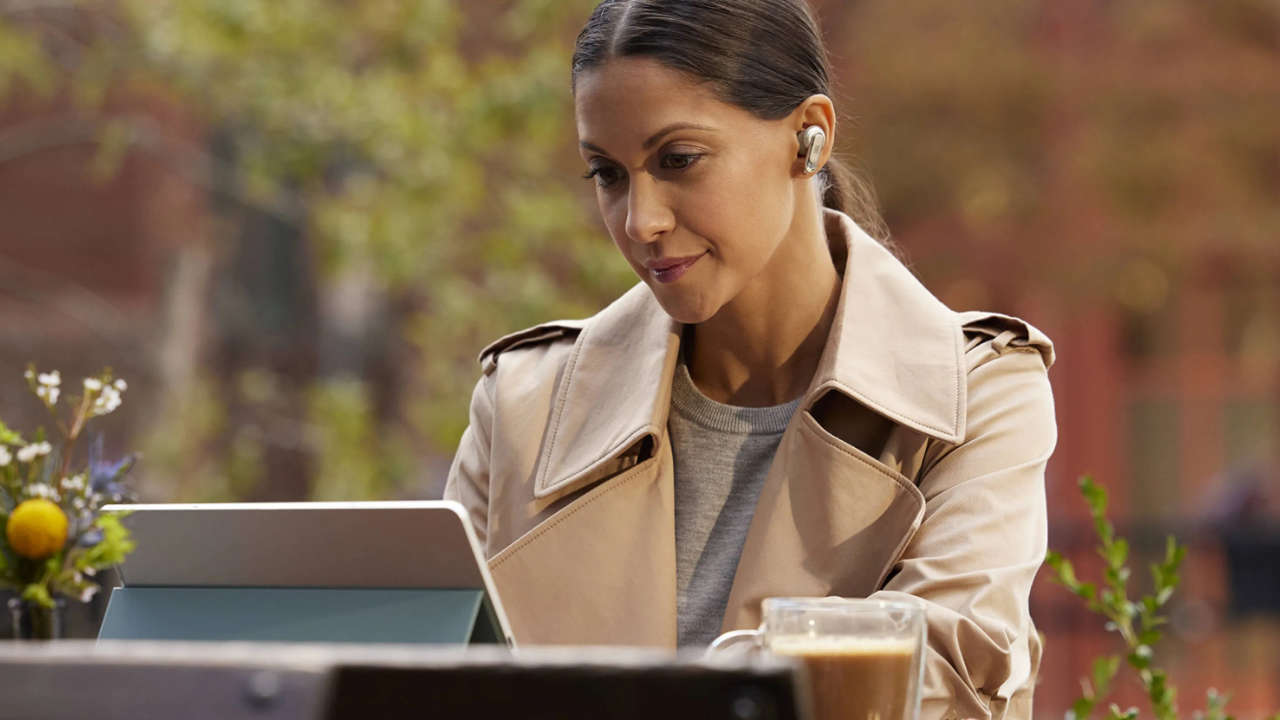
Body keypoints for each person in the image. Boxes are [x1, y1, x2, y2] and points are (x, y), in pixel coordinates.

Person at [444, 1, 1056, 718]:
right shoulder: (524, 404)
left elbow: (940, 681)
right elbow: (424, 676)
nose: (641, 221)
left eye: (678, 160)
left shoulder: (976, 394)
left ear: (809, 137)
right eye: (608, 174)